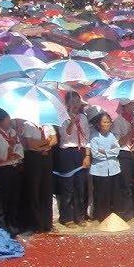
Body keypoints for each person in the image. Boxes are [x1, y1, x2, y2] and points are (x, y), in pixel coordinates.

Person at [54, 91, 91, 227]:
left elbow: (87, 137)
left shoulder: (83, 118)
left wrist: (87, 155)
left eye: (77, 101)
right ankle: (67, 217)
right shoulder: (62, 117)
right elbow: (65, 135)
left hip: (80, 151)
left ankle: (79, 215)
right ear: (67, 103)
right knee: (68, 186)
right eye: (73, 101)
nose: (76, 104)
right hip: (67, 152)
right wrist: (71, 122)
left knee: (80, 185)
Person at [0, 107, 25, 236]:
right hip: (3, 171)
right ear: (1, 121)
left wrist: (13, 151)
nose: (10, 121)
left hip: (14, 168)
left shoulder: (12, 132)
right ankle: (1, 227)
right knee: (3, 199)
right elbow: (3, 156)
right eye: (8, 119)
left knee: (14, 198)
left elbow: (19, 153)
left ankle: (12, 225)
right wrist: (12, 148)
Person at [18, 117, 57, 233]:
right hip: (34, 157)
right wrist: (46, 143)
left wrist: (43, 146)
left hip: (47, 156)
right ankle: (36, 223)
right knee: (35, 189)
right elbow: (31, 143)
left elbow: (54, 140)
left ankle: (47, 223)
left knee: (46, 189)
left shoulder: (48, 123)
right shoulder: (28, 124)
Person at [88, 111, 123, 222]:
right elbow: (95, 154)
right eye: (105, 122)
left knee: (114, 193)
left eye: (108, 122)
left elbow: (117, 151)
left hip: (114, 168)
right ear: (99, 124)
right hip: (100, 169)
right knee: (102, 194)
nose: (107, 124)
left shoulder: (112, 135)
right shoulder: (94, 137)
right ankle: (102, 216)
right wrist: (109, 152)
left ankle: (114, 215)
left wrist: (105, 152)